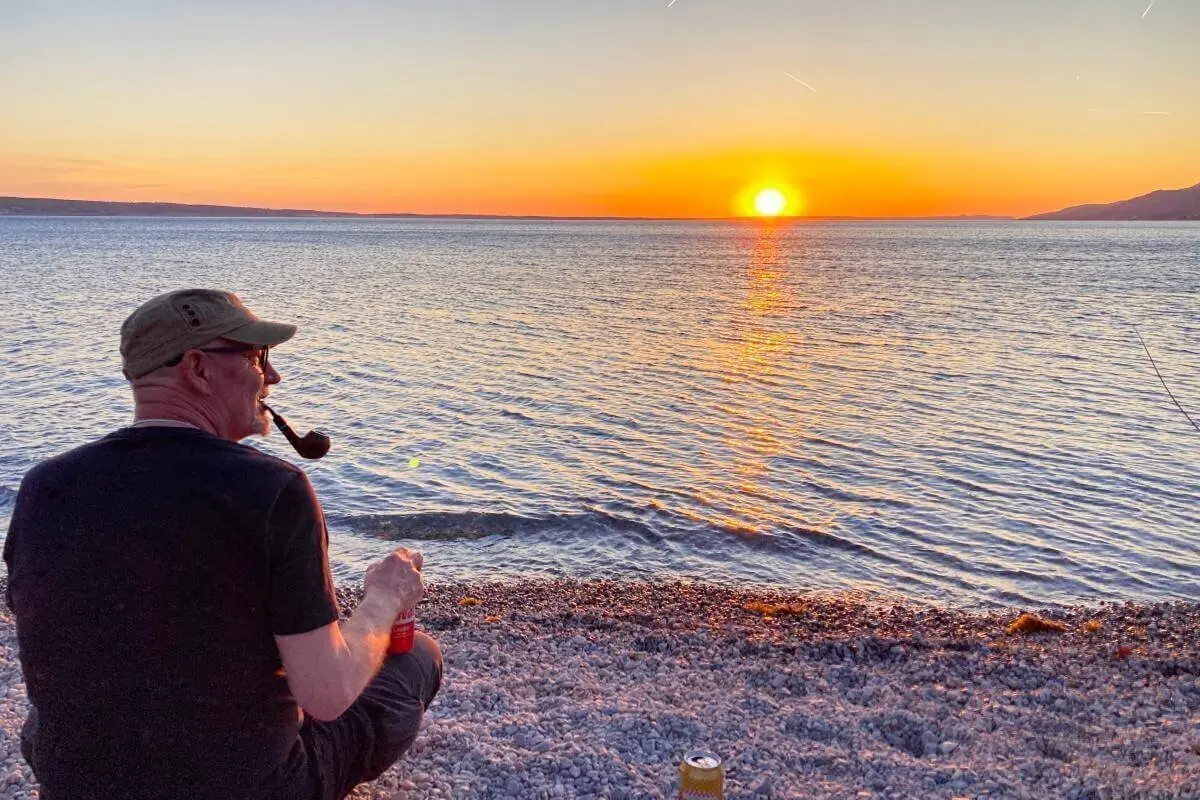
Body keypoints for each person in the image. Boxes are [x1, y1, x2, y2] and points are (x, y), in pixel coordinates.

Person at [3, 288, 441, 800]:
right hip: (249, 787)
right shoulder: (273, 490)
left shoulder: (44, 486)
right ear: (198, 368)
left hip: (75, 783)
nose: (272, 377)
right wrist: (384, 597)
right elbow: (327, 697)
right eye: (258, 358)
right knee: (418, 657)